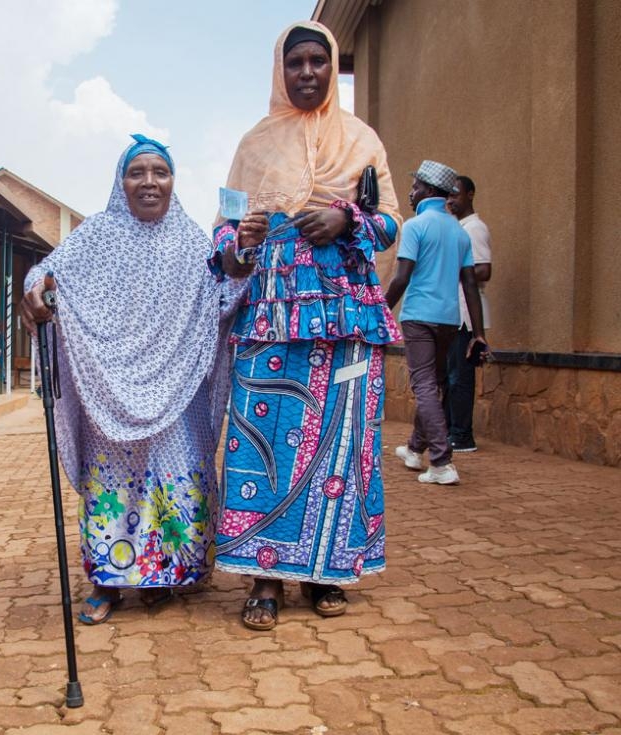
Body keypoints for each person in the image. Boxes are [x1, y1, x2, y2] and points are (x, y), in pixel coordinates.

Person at [209, 22, 402, 632]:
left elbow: (392, 222)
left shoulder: (363, 139)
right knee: (263, 435)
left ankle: (326, 570)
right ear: (280, 69)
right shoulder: (254, 143)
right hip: (271, 312)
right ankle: (265, 577)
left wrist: (346, 219)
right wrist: (240, 241)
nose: (308, 72)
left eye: (319, 60)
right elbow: (223, 237)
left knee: (343, 437)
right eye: (296, 62)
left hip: (346, 313)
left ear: (331, 65)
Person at [20, 134, 231, 625]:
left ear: (173, 181)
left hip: (179, 392)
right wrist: (36, 292)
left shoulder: (193, 241)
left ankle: (163, 575)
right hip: (108, 389)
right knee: (112, 484)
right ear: (121, 182)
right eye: (138, 172)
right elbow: (44, 274)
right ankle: (109, 582)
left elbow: (220, 300)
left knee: (176, 479)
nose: (149, 182)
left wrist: (244, 266)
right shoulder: (95, 236)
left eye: (160, 172)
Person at [385, 161, 488, 485]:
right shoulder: (459, 232)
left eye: (415, 187)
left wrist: (380, 309)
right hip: (449, 320)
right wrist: (479, 334)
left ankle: (442, 462)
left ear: (429, 190)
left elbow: (402, 277)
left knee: (424, 385)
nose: (410, 193)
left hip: (419, 317)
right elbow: (470, 284)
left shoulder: (416, 226)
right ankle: (415, 450)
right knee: (436, 383)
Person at [444, 175, 492, 452]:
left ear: (470, 194)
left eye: (456, 195)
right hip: (455, 313)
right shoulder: (459, 227)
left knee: (460, 378)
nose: (450, 200)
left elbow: (484, 269)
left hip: (466, 315)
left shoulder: (474, 228)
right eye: (448, 195)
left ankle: (462, 435)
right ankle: (454, 431)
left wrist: (451, 271)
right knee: (451, 377)